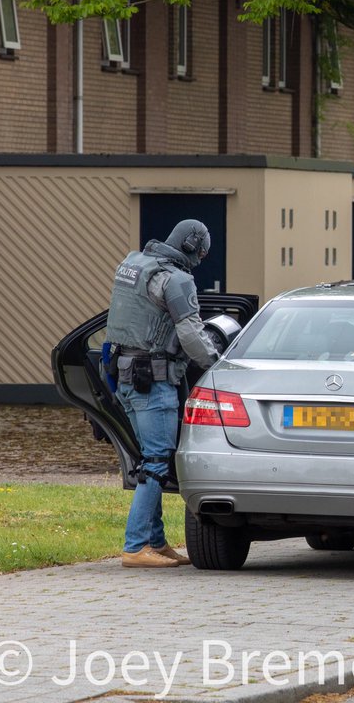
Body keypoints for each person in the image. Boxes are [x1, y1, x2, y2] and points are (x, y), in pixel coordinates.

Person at [106, 219, 219, 568]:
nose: (200, 260)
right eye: (201, 253)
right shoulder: (177, 280)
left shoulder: (132, 264)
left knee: (147, 463)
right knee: (156, 464)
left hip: (125, 378)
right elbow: (191, 336)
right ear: (192, 246)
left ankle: (155, 542)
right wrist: (218, 363)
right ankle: (135, 546)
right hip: (153, 382)